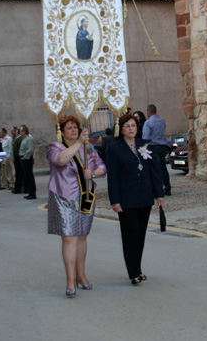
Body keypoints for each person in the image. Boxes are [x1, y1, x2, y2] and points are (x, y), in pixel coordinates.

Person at [46, 115, 106, 297]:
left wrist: (93, 173)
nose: (73, 130)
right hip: (64, 197)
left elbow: (102, 167)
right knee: (69, 238)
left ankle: (81, 274)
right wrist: (79, 143)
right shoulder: (54, 147)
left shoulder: (88, 148)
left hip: (85, 197)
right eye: (69, 128)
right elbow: (61, 160)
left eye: (75, 127)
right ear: (61, 132)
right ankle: (70, 279)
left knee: (81, 237)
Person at [106, 114, 164, 285]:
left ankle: (138, 268)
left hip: (144, 196)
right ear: (121, 129)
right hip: (126, 199)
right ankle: (133, 272)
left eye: (134, 125)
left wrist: (158, 193)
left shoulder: (145, 145)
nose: (131, 129)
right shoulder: (114, 148)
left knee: (140, 235)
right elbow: (113, 177)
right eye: (127, 126)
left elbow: (154, 171)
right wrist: (114, 200)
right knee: (130, 234)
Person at [142, 104, 172, 196]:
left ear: (148, 112)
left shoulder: (148, 123)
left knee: (156, 170)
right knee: (163, 169)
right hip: (162, 146)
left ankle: (158, 191)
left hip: (153, 146)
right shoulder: (162, 120)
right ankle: (167, 188)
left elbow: (146, 137)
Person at [19, 125, 37, 200]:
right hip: (24, 159)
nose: (19, 132)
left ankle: (32, 193)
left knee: (29, 176)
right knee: (27, 176)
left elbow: (30, 150)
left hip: (27, 159)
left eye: (20, 131)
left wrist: (25, 157)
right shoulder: (25, 138)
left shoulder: (29, 139)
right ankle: (30, 192)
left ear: (24, 131)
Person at [11, 128, 24, 194]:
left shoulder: (18, 139)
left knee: (18, 174)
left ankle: (18, 188)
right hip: (19, 158)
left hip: (18, 159)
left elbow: (15, 150)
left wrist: (16, 156)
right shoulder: (20, 139)